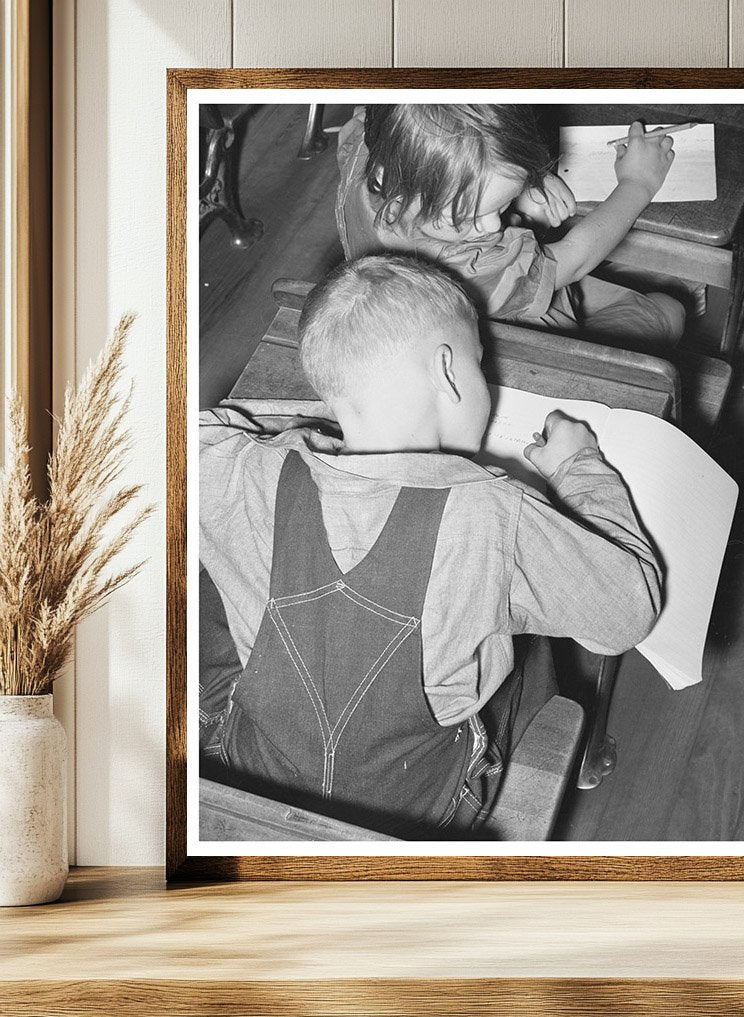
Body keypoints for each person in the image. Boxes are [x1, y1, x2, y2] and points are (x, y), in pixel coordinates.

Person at [198, 255, 662, 838]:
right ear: (448, 372)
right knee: (529, 640)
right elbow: (629, 613)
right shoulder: (495, 512)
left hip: (250, 773)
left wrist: (313, 428)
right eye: (480, 365)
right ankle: (575, 754)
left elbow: (193, 428)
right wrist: (579, 467)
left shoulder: (243, 472)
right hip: (430, 809)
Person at [335, 104, 688, 355]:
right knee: (669, 310)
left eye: (498, 207)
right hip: (526, 345)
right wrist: (637, 183)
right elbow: (576, 259)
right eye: (465, 217)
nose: (491, 226)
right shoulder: (472, 267)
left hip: (434, 314)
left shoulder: (372, 149)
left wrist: (524, 176)